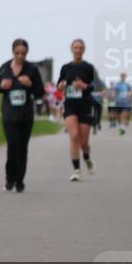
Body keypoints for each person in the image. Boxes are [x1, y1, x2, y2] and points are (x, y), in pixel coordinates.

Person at [0, 39, 45, 192]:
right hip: (9, 114)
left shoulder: (32, 69)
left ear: (27, 53)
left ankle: (20, 181)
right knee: (12, 145)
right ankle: (10, 179)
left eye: (23, 53)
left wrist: (30, 84)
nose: (20, 56)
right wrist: (1, 86)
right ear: (13, 52)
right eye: (17, 53)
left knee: (22, 148)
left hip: (26, 114)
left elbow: (40, 92)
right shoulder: (5, 67)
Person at [57, 38, 98, 182]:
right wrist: (61, 85)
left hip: (85, 105)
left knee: (83, 142)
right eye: (76, 47)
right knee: (74, 136)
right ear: (71, 49)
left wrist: (84, 86)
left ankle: (86, 157)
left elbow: (97, 86)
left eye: (81, 48)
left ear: (84, 50)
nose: (78, 50)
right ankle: (77, 170)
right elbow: (59, 83)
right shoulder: (65, 67)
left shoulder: (89, 67)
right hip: (70, 105)